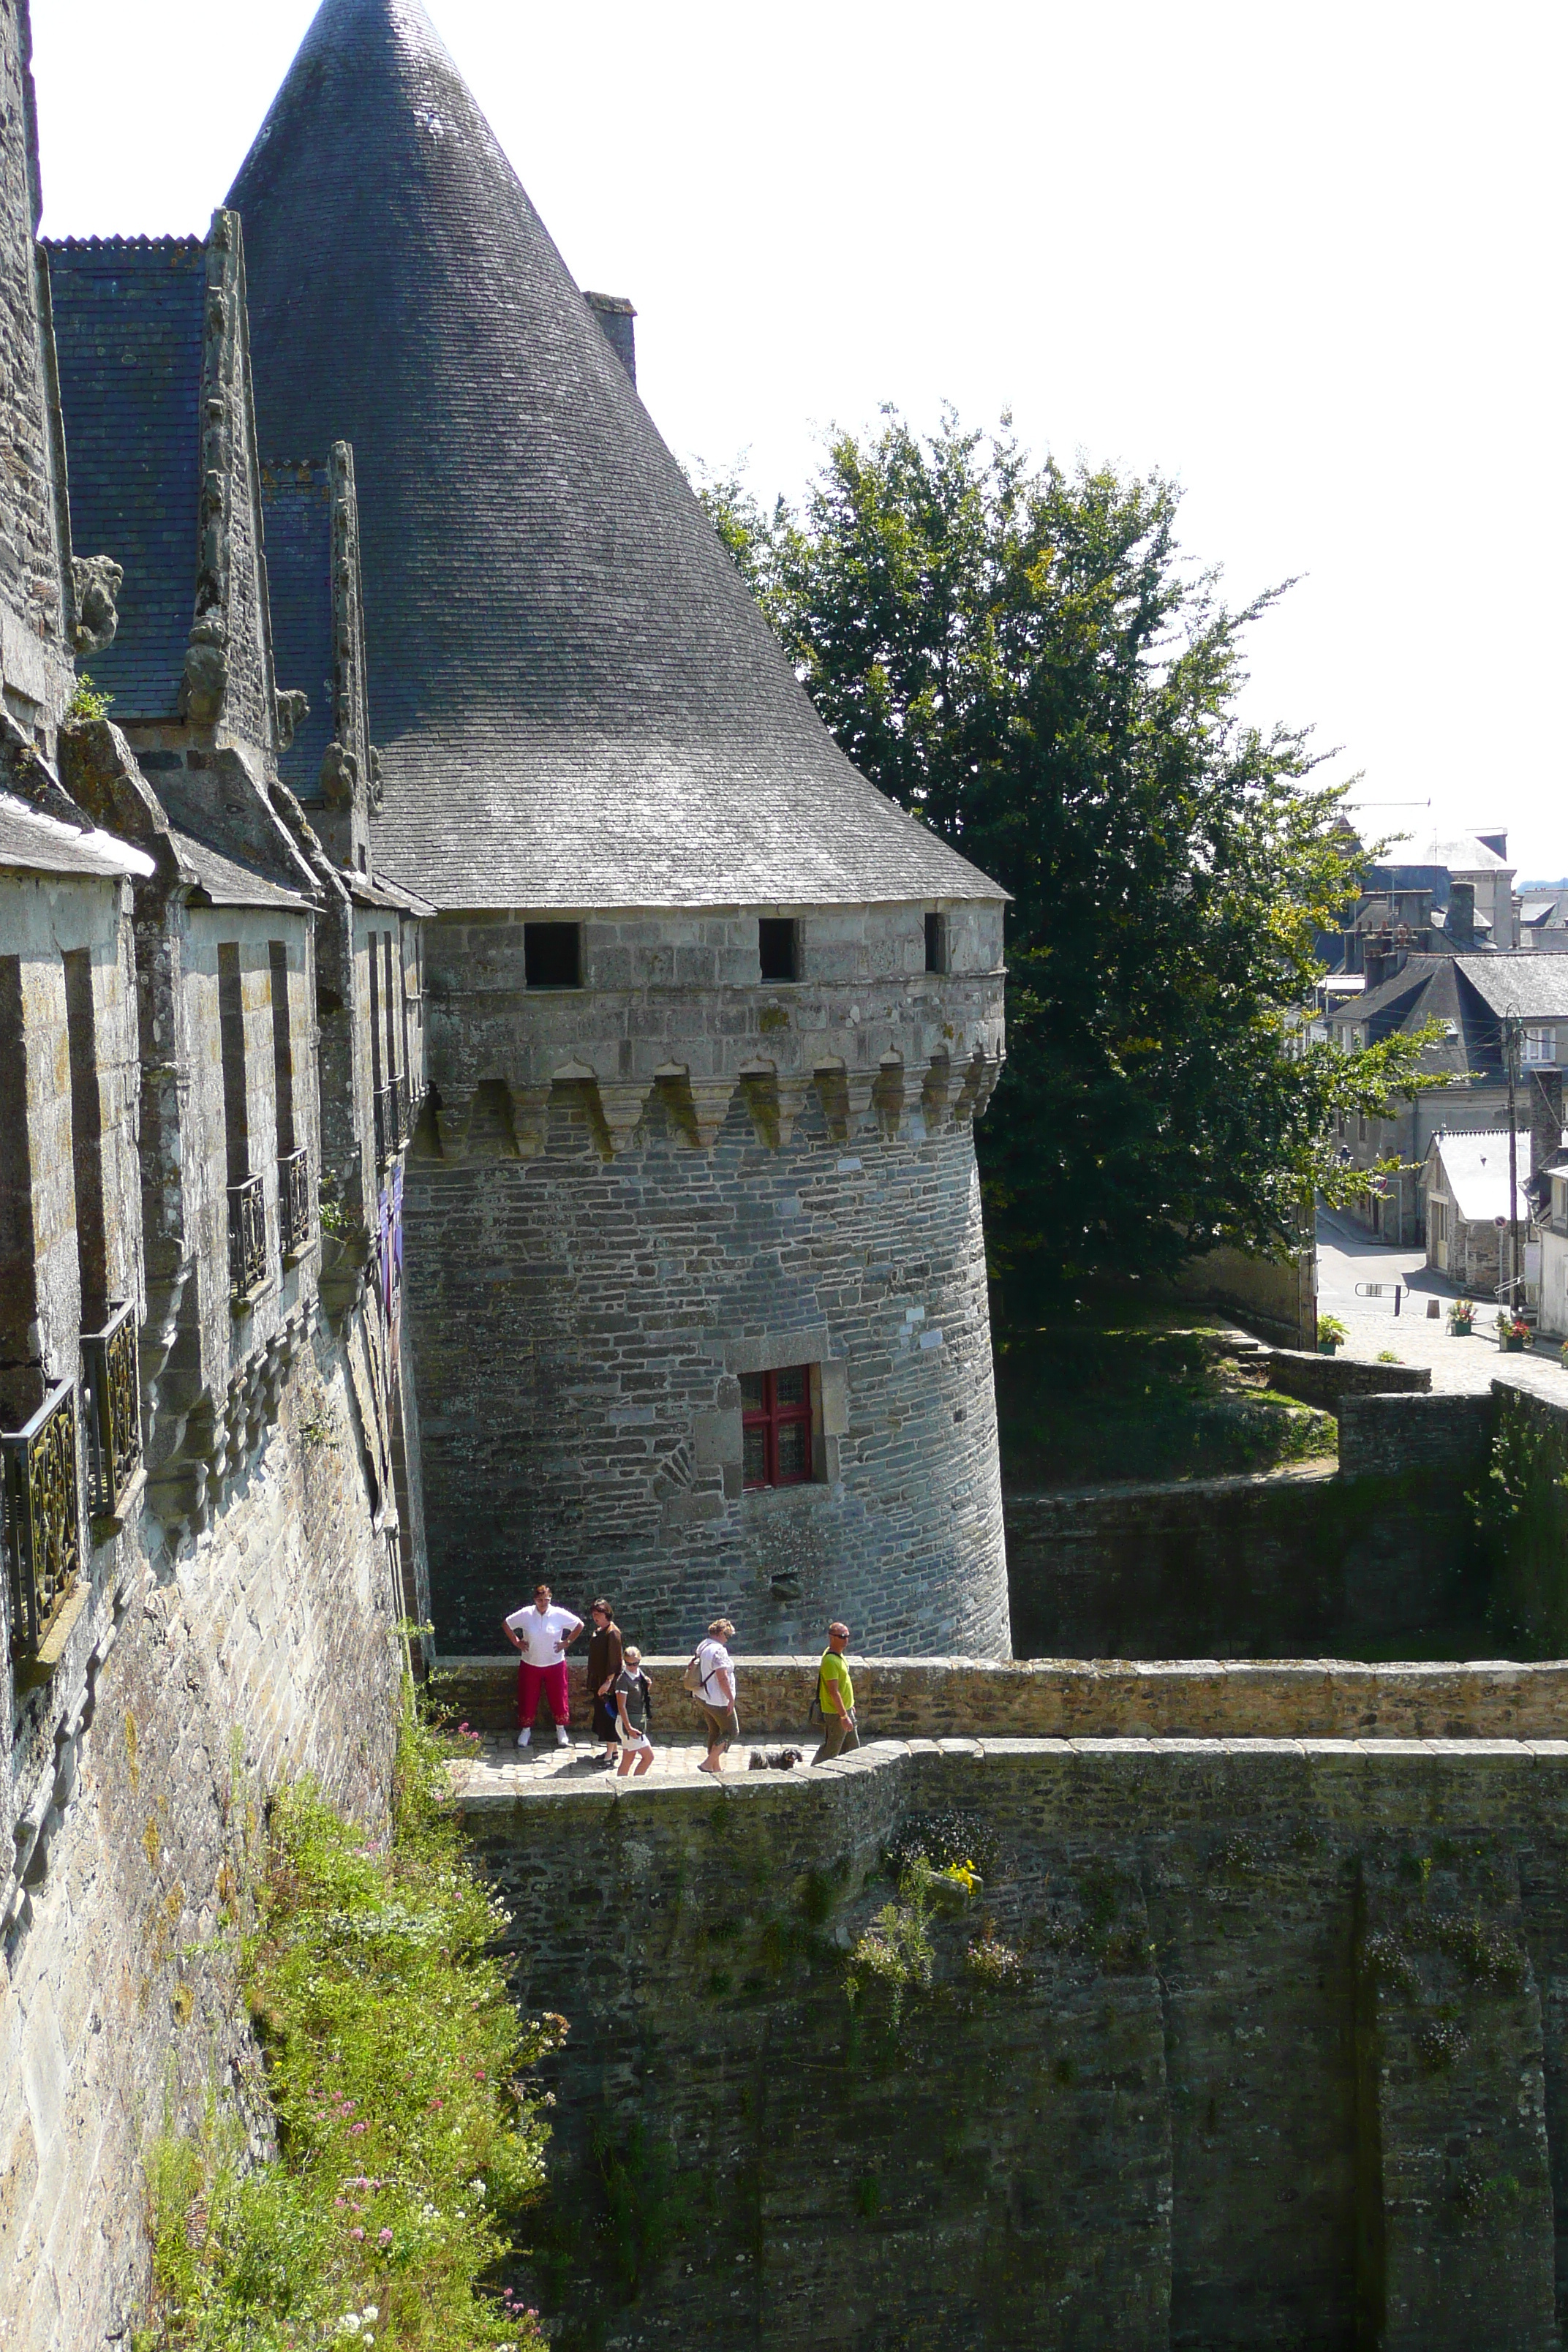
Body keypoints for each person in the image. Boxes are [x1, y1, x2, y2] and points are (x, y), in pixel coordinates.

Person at [502, 1583, 583, 1749]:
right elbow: (506, 1624)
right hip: (530, 1663)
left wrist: (566, 1643)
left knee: (558, 1696)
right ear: (535, 1600)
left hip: (555, 1663)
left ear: (550, 1598)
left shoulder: (559, 1614)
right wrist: (517, 1642)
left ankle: (561, 1730)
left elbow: (579, 1625)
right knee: (528, 1697)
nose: (543, 1603)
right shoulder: (526, 1614)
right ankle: (526, 1730)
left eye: (546, 1599)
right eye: (540, 1600)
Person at [693, 1618, 737, 1774]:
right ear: (720, 1633)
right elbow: (722, 1677)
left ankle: (715, 1768)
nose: (727, 1639)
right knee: (731, 1731)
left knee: (715, 1730)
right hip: (717, 1700)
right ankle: (707, 1764)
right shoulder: (719, 1650)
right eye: (727, 1635)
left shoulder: (703, 1645)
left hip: (703, 1696)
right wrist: (731, 1699)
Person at [811, 1621, 859, 1765]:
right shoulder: (830, 1661)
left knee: (852, 1748)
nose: (846, 1640)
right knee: (831, 1749)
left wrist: (850, 1706)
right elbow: (834, 1691)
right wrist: (844, 1716)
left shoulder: (838, 1655)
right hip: (836, 1714)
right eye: (842, 1637)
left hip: (845, 1710)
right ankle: (815, 1773)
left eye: (847, 1636)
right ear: (832, 1637)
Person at [585, 1598, 623, 1765]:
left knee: (609, 1717)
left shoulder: (612, 1633)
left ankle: (609, 1755)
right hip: (599, 1680)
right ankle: (613, 1751)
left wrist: (608, 1682)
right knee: (603, 1716)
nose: (595, 1617)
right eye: (593, 1615)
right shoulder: (601, 1630)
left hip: (608, 1684)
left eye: (598, 1614)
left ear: (606, 1614)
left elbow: (615, 1661)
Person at [614, 1645, 655, 1777]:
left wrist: (647, 1686)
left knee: (628, 1759)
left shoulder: (639, 1674)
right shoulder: (623, 1681)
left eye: (635, 1663)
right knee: (649, 1757)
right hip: (629, 1724)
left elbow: (640, 1696)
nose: (632, 1667)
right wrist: (629, 1728)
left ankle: (621, 1787)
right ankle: (635, 1786)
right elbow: (622, 1707)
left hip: (635, 1721)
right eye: (629, 1664)